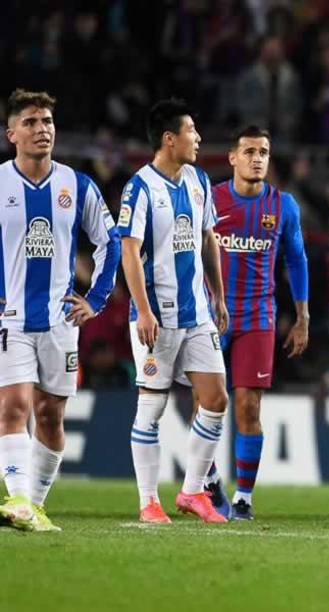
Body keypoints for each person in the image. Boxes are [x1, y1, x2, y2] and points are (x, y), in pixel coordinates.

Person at [0, 89, 121, 532]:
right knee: (13, 406)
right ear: (11, 133)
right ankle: (16, 499)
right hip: (9, 319)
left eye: (47, 121)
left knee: (50, 414)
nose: (41, 130)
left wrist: (97, 298)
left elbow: (112, 240)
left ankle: (32, 504)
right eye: (30, 122)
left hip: (60, 321)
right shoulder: (0, 183)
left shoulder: (77, 185)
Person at [118, 99, 230, 524]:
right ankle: (149, 501)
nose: (198, 139)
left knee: (216, 397)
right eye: (192, 131)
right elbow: (129, 251)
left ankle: (192, 492)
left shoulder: (200, 180)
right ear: (170, 138)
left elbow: (208, 240)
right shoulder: (140, 187)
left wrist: (217, 296)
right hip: (157, 318)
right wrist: (143, 311)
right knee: (153, 406)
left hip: (197, 312)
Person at [201, 125, 309, 521]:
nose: (257, 158)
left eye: (263, 151)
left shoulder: (284, 206)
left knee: (248, 406)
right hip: (210, 318)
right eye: (249, 151)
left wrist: (302, 316)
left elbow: (296, 260)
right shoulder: (210, 200)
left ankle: (243, 497)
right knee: (207, 405)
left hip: (258, 319)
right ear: (232, 157)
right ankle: (210, 483)